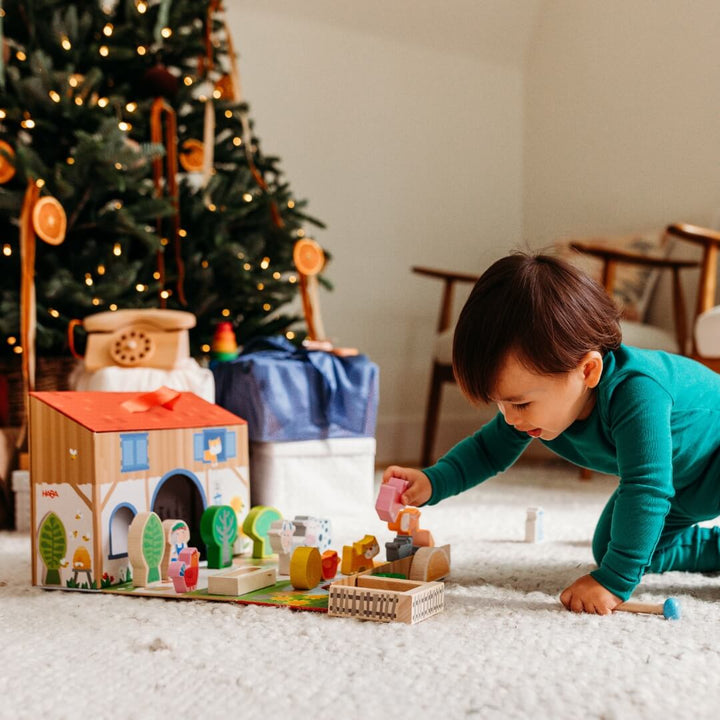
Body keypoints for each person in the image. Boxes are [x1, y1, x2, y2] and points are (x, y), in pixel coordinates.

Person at [384, 252, 720, 615]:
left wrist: (614, 581)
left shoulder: (638, 392)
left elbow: (646, 486)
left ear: (588, 370)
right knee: (611, 545)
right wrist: (433, 481)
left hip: (712, 458)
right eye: (501, 405)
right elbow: (487, 451)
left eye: (520, 404)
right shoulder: (539, 408)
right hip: (683, 482)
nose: (510, 419)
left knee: (622, 554)